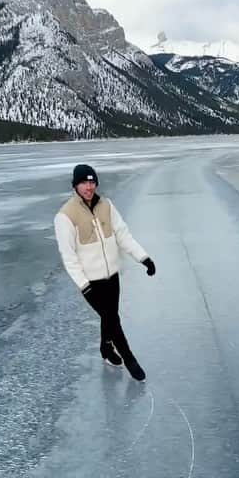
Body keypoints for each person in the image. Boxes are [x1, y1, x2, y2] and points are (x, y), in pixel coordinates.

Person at [54, 163, 156, 381]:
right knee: (112, 319)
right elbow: (69, 257)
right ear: (75, 185)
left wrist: (143, 257)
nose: (89, 187)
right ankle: (129, 359)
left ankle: (106, 349)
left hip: (112, 275)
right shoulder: (65, 216)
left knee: (109, 318)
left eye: (92, 182)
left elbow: (123, 235)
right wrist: (84, 285)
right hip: (92, 281)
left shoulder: (107, 206)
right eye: (84, 182)